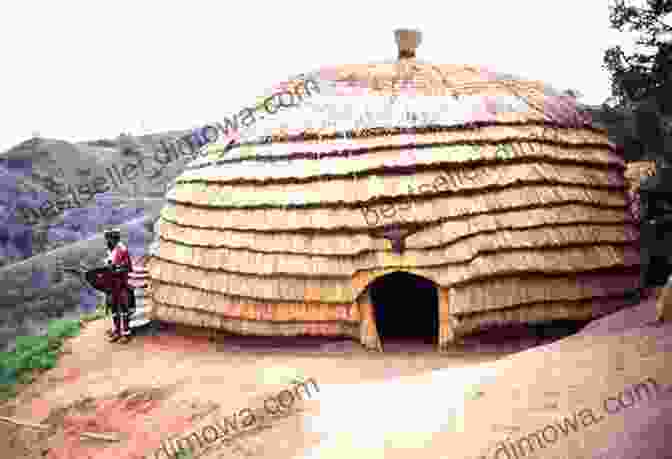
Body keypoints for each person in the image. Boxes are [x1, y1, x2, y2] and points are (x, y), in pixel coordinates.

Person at [103, 229, 134, 343]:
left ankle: (126, 334)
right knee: (114, 309)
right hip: (112, 284)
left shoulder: (122, 250)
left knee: (124, 308)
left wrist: (117, 268)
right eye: (107, 239)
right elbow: (109, 264)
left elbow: (128, 266)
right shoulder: (110, 250)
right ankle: (117, 332)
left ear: (114, 238)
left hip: (122, 283)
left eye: (109, 238)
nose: (108, 241)